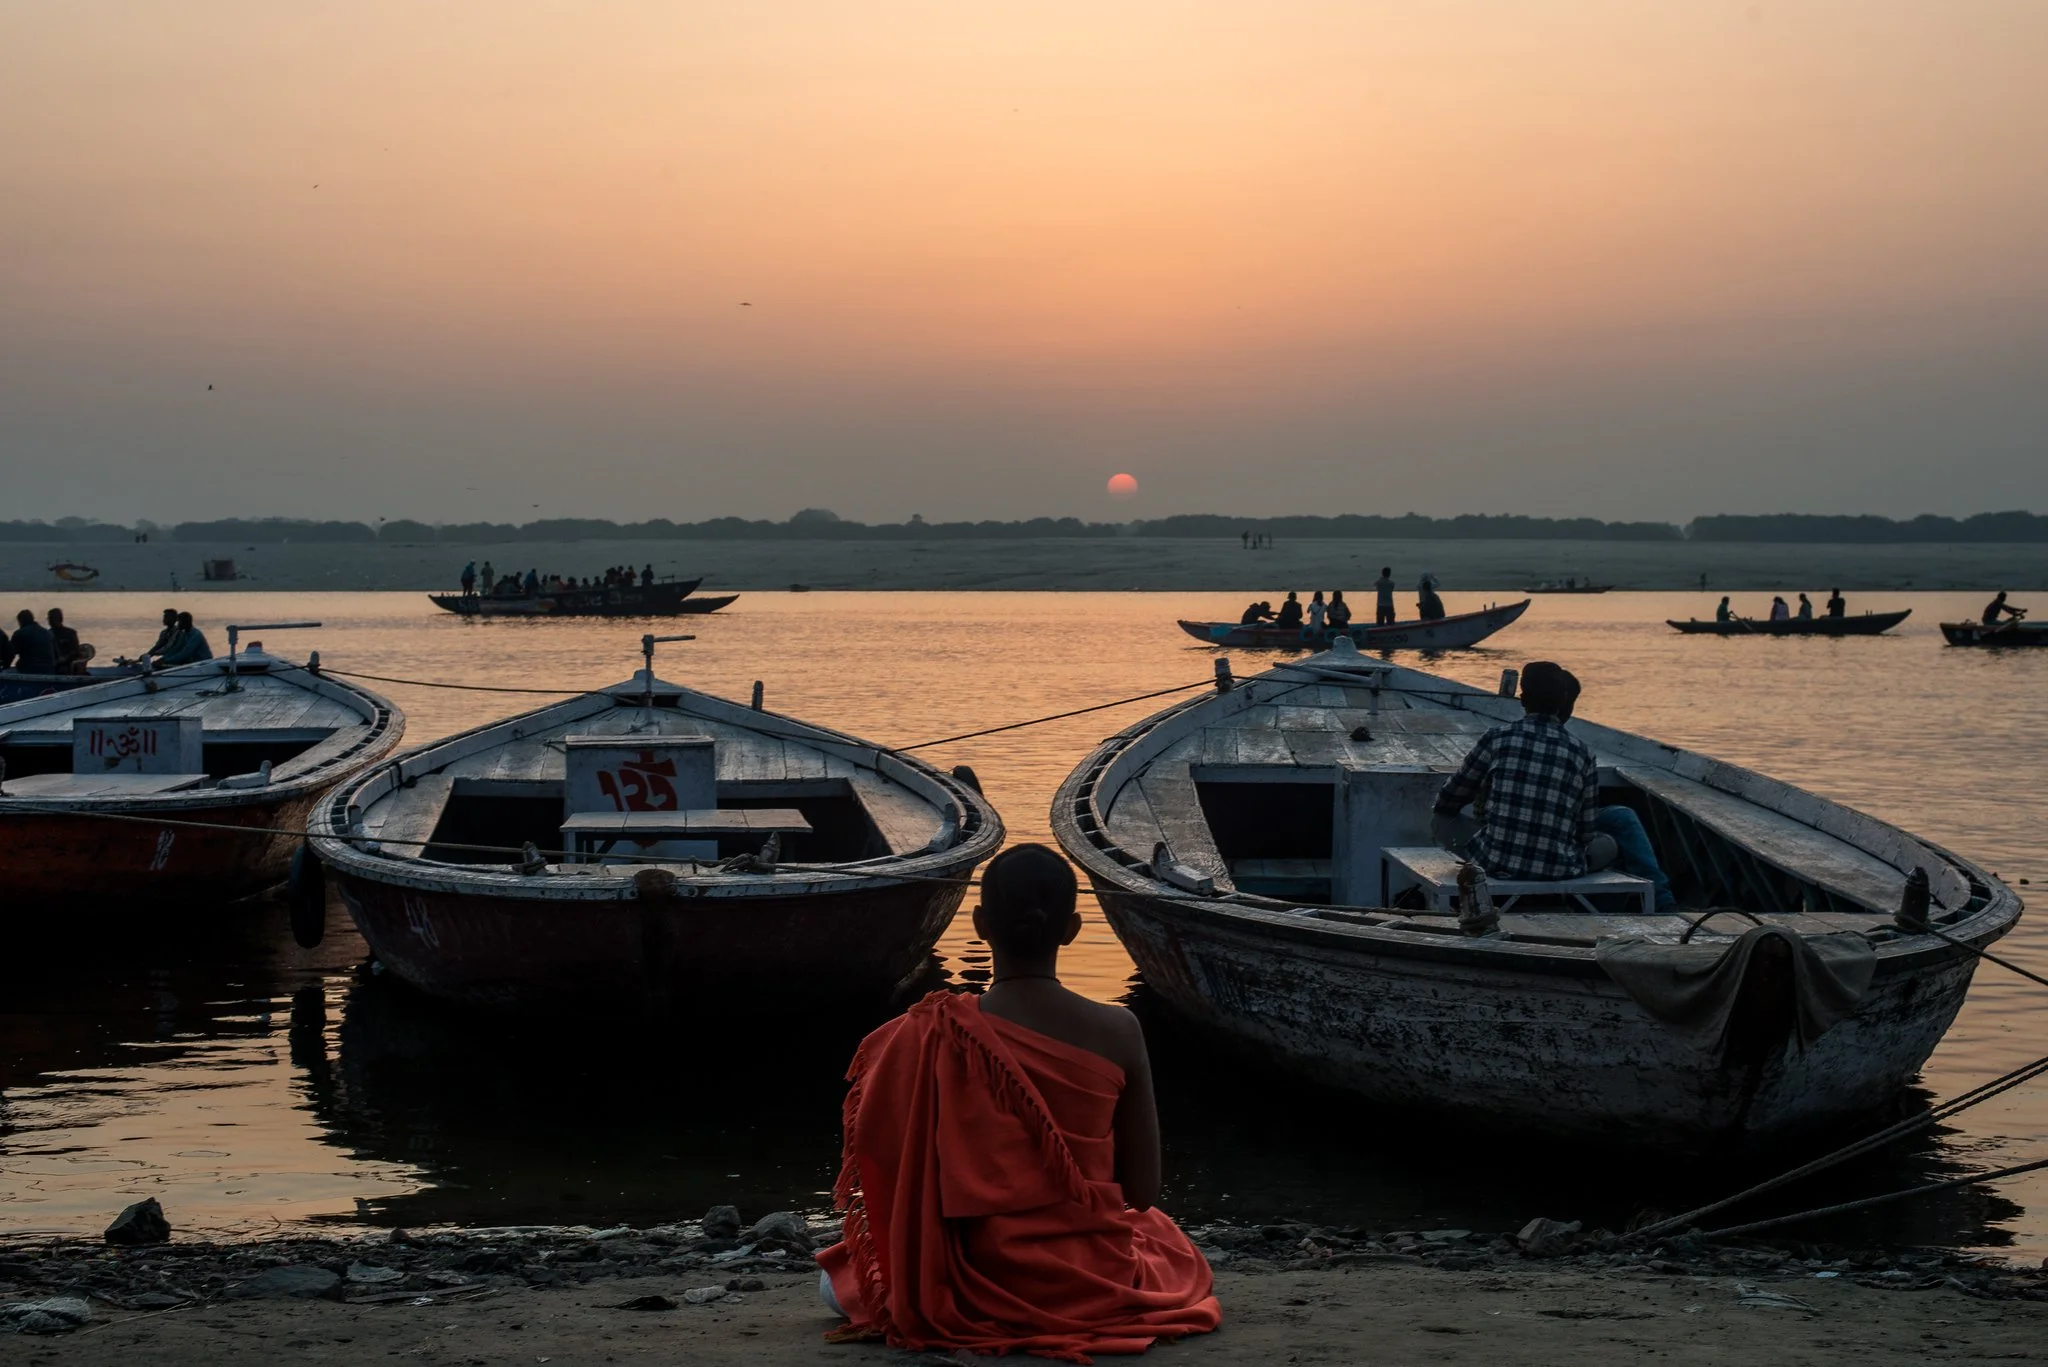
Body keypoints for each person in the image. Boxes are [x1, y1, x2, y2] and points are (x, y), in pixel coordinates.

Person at [816, 844, 1220, 1358]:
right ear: (1072, 930)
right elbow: (1140, 1192)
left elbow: (893, 1172)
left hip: (968, 1276)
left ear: (981, 924)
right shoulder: (1119, 1030)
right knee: (1167, 1241)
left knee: (837, 1282)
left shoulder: (929, 1032)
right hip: (1090, 1276)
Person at [1432, 662, 1675, 911]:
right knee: (1611, 844)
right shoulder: (1582, 753)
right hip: (1560, 868)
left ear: (1523, 699)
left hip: (1494, 862)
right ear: (1563, 701)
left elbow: (1448, 800)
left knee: (1440, 817)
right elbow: (1585, 833)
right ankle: (1648, 906)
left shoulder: (1496, 738)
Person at [10, 609, 56, 674]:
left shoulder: (20, 633)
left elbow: (10, 653)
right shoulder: (47, 633)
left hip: (28, 670)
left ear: (21, 621)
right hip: (49, 670)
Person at [47, 608, 89, 674]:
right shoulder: (47, 634)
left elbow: (76, 650)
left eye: (51, 618)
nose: (49, 620)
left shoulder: (70, 633)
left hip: (68, 663)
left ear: (59, 619)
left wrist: (65, 658)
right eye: (49, 618)